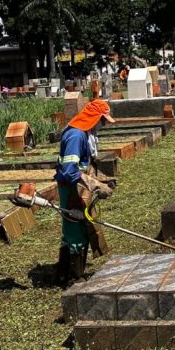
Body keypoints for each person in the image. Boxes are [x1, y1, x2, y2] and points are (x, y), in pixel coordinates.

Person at [54, 99, 116, 282]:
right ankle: (75, 277)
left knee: (79, 226)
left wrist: (102, 180)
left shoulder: (84, 133)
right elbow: (69, 171)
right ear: (94, 118)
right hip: (71, 188)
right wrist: (96, 186)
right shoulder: (76, 136)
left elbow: (84, 165)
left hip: (80, 185)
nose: (103, 124)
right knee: (76, 227)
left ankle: (63, 272)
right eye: (102, 120)